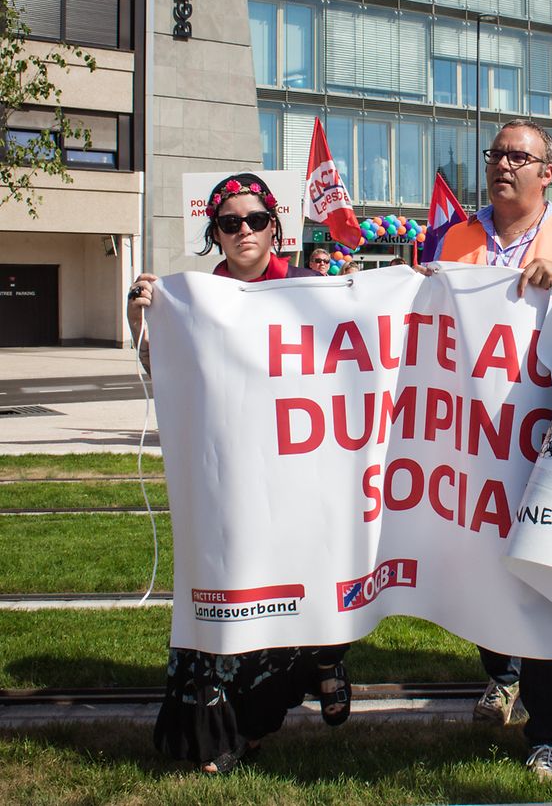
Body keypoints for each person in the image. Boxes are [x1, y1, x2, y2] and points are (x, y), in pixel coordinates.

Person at [125, 173, 351, 775]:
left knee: (309, 592)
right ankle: (232, 734)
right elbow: (164, 374)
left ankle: (326, 661)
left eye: (255, 220)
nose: (243, 231)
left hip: (306, 478)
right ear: (215, 233)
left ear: (276, 227)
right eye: (230, 223)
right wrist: (141, 319)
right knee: (236, 598)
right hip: (231, 483)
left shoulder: (312, 288)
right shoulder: (197, 298)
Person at [430, 118, 552, 781]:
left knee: (544, 576)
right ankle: (499, 674)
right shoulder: (456, 238)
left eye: (518, 156)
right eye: (496, 153)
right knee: (482, 564)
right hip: (473, 439)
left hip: (550, 440)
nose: (503, 164)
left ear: (546, 171)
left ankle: (548, 728)